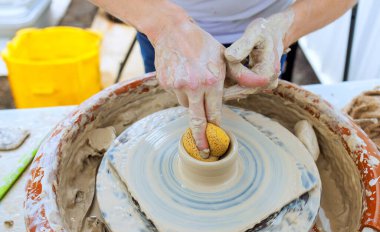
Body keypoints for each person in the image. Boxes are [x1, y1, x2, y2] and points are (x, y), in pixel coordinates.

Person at [89, 0, 357, 158]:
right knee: (176, 120)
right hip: (167, 28)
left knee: (267, 133)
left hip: (267, 34)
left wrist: (286, 29)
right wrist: (164, 25)